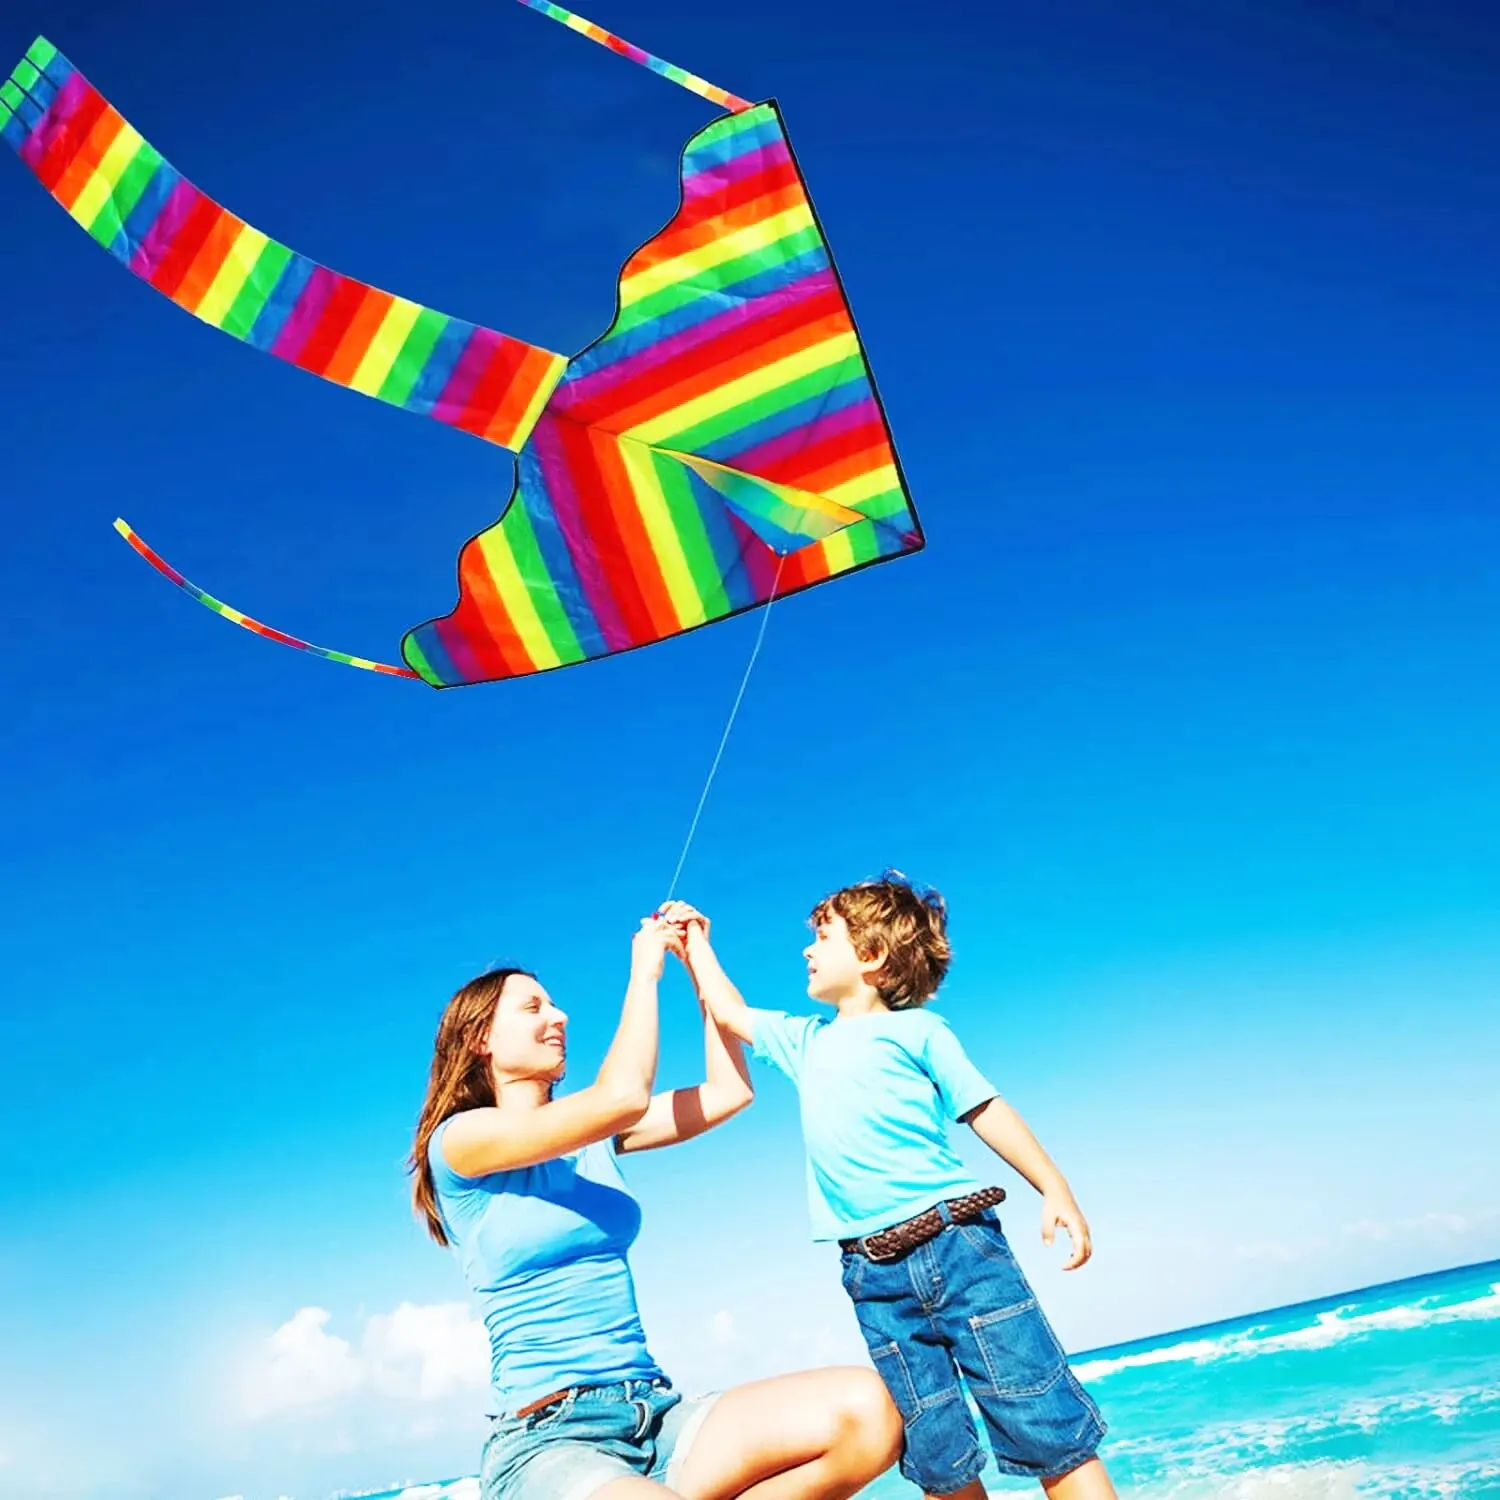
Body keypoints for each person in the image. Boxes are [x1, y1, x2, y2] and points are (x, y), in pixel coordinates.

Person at [409, 912, 902, 1500]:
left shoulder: (590, 1138)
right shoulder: (459, 1142)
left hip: (655, 1415)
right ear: (479, 1038)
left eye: (554, 1005)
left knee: (870, 1416)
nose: (559, 1016)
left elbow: (728, 1094)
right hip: (548, 1440)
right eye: (533, 1007)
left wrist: (699, 969)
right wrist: (644, 975)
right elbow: (620, 1096)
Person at [660, 878, 1116, 1500]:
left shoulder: (921, 1032)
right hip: (874, 1276)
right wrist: (696, 948)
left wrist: (1053, 1185)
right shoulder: (804, 1042)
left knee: (1045, 1425)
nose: (806, 950)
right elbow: (731, 1013)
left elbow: (984, 1108)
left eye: (822, 937)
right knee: (938, 1455)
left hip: (960, 1251)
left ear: (871, 957)